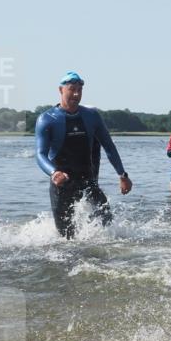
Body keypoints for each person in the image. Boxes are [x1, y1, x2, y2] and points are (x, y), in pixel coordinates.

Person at [35, 71, 132, 238]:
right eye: (72, 89)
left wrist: (122, 174)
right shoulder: (47, 119)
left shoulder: (91, 116)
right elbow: (40, 154)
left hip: (88, 182)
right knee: (66, 238)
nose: (76, 94)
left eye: (79, 90)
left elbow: (108, 146)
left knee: (108, 228)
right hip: (62, 185)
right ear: (61, 90)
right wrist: (54, 172)